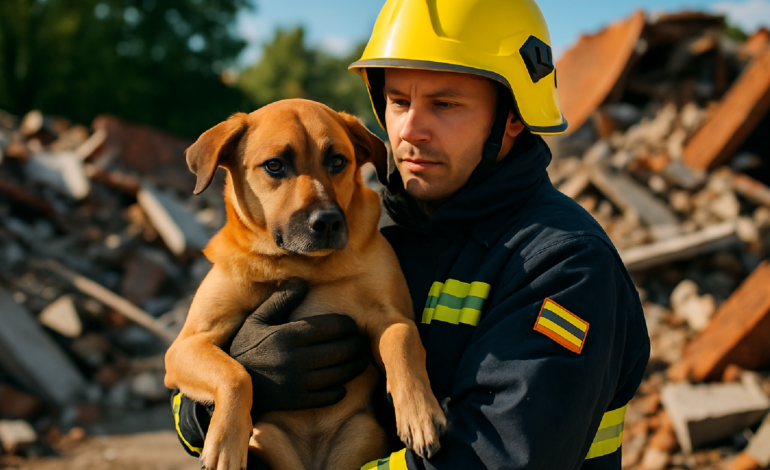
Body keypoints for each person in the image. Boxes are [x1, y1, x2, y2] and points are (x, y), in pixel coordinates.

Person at [172, 0, 650, 468]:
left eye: (444, 104)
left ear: (513, 117)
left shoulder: (564, 264)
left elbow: (499, 455)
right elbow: (184, 390)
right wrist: (226, 395)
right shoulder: (378, 231)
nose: (410, 130)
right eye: (399, 102)